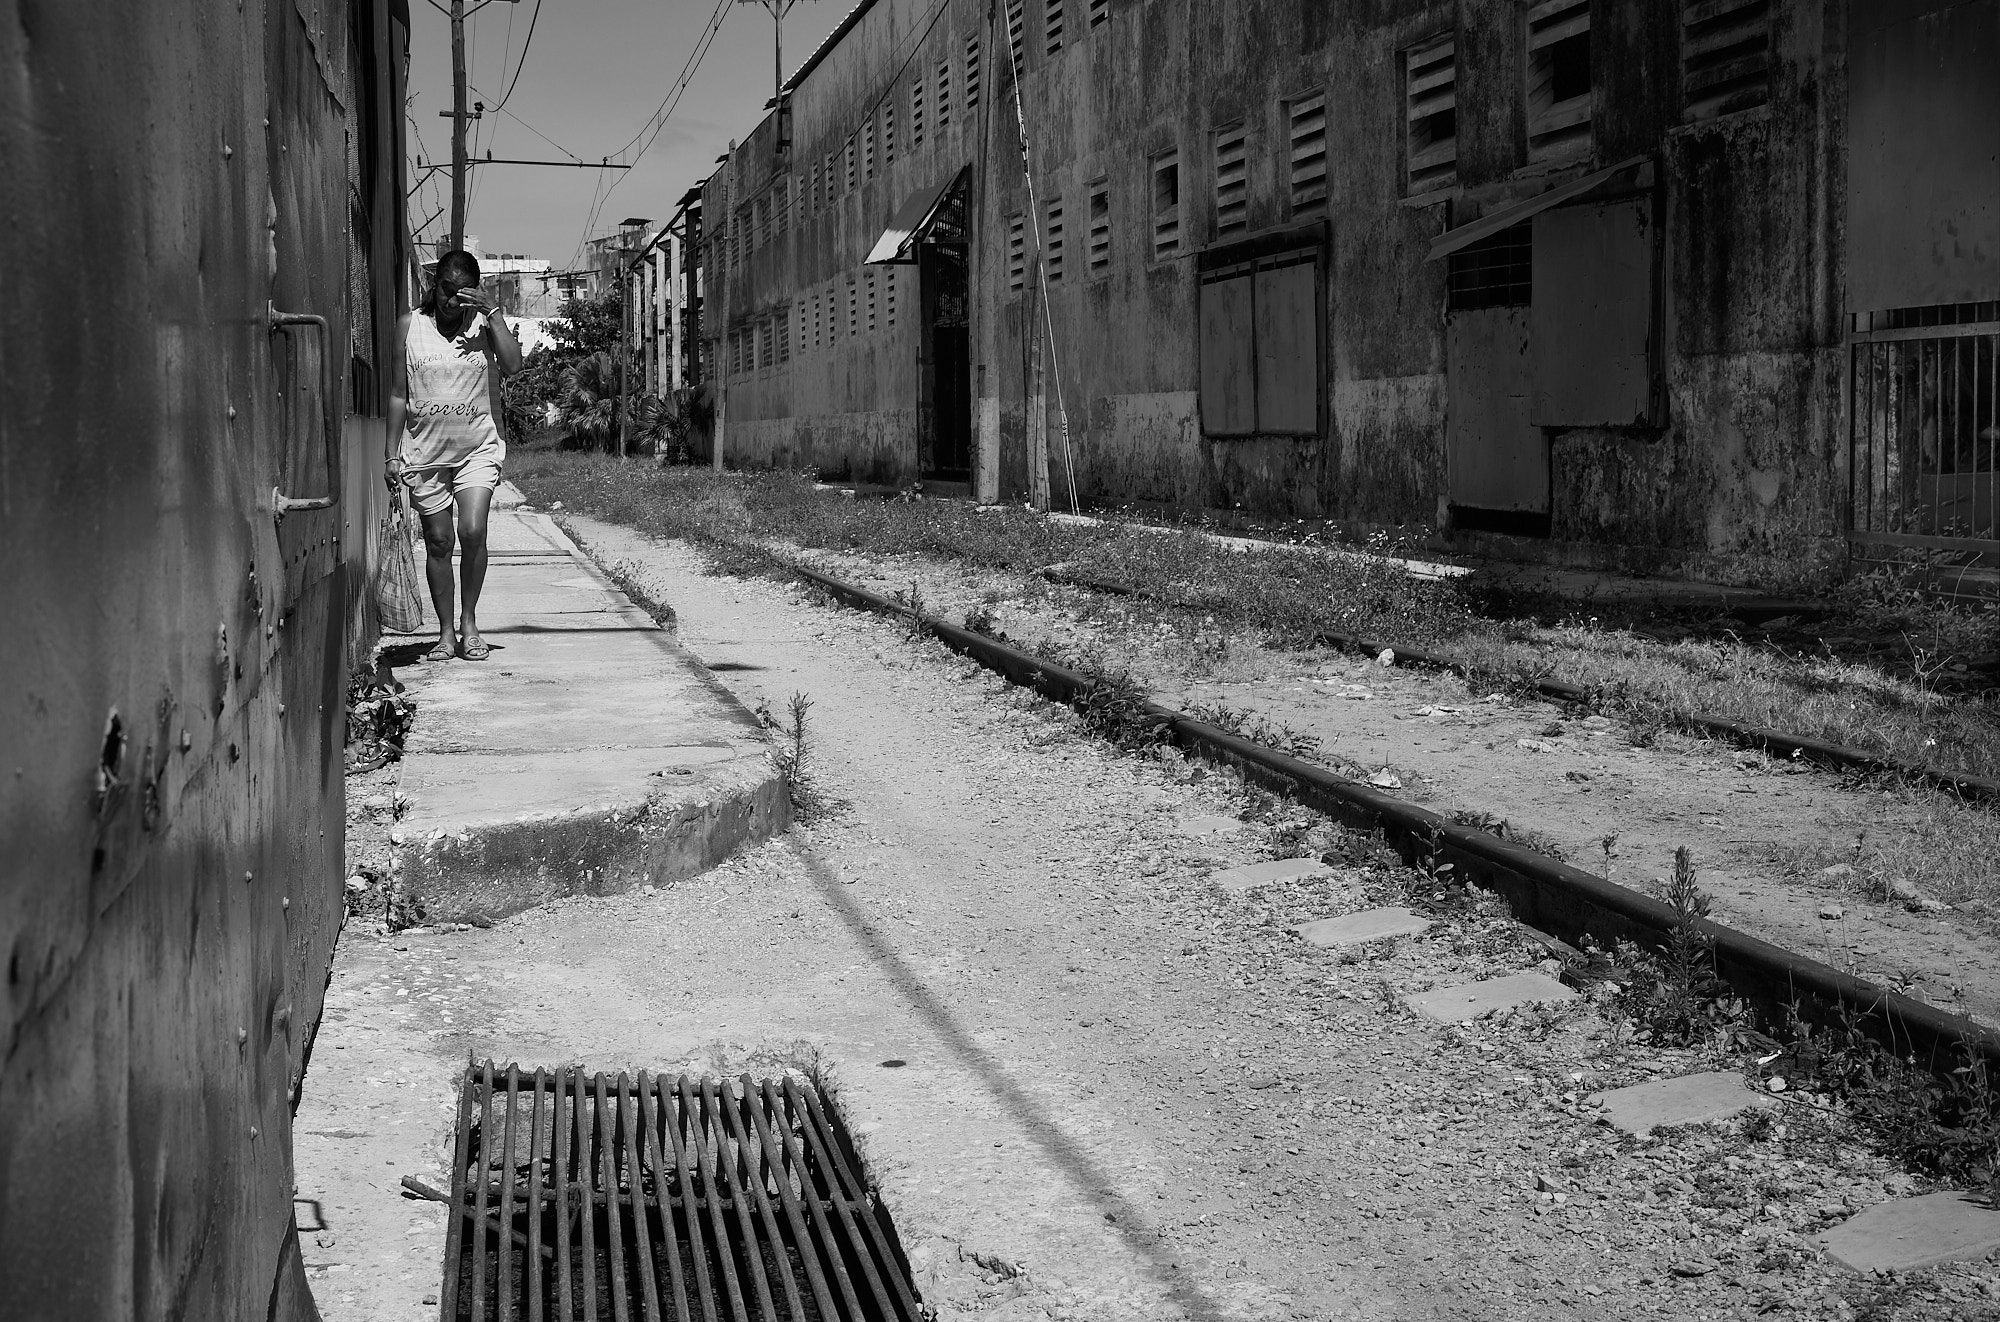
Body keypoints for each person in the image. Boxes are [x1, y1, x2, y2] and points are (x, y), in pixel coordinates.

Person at [386, 250, 523, 661]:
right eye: (447, 290)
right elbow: (398, 394)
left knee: (473, 531)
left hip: (476, 449)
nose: (452, 301)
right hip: (425, 452)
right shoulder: (410, 326)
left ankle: (469, 624)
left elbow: (514, 365)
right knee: (439, 541)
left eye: (462, 293)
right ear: (434, 286)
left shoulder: (483, 324)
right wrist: (390, 455)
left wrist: (493, 313)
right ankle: (446, 633)